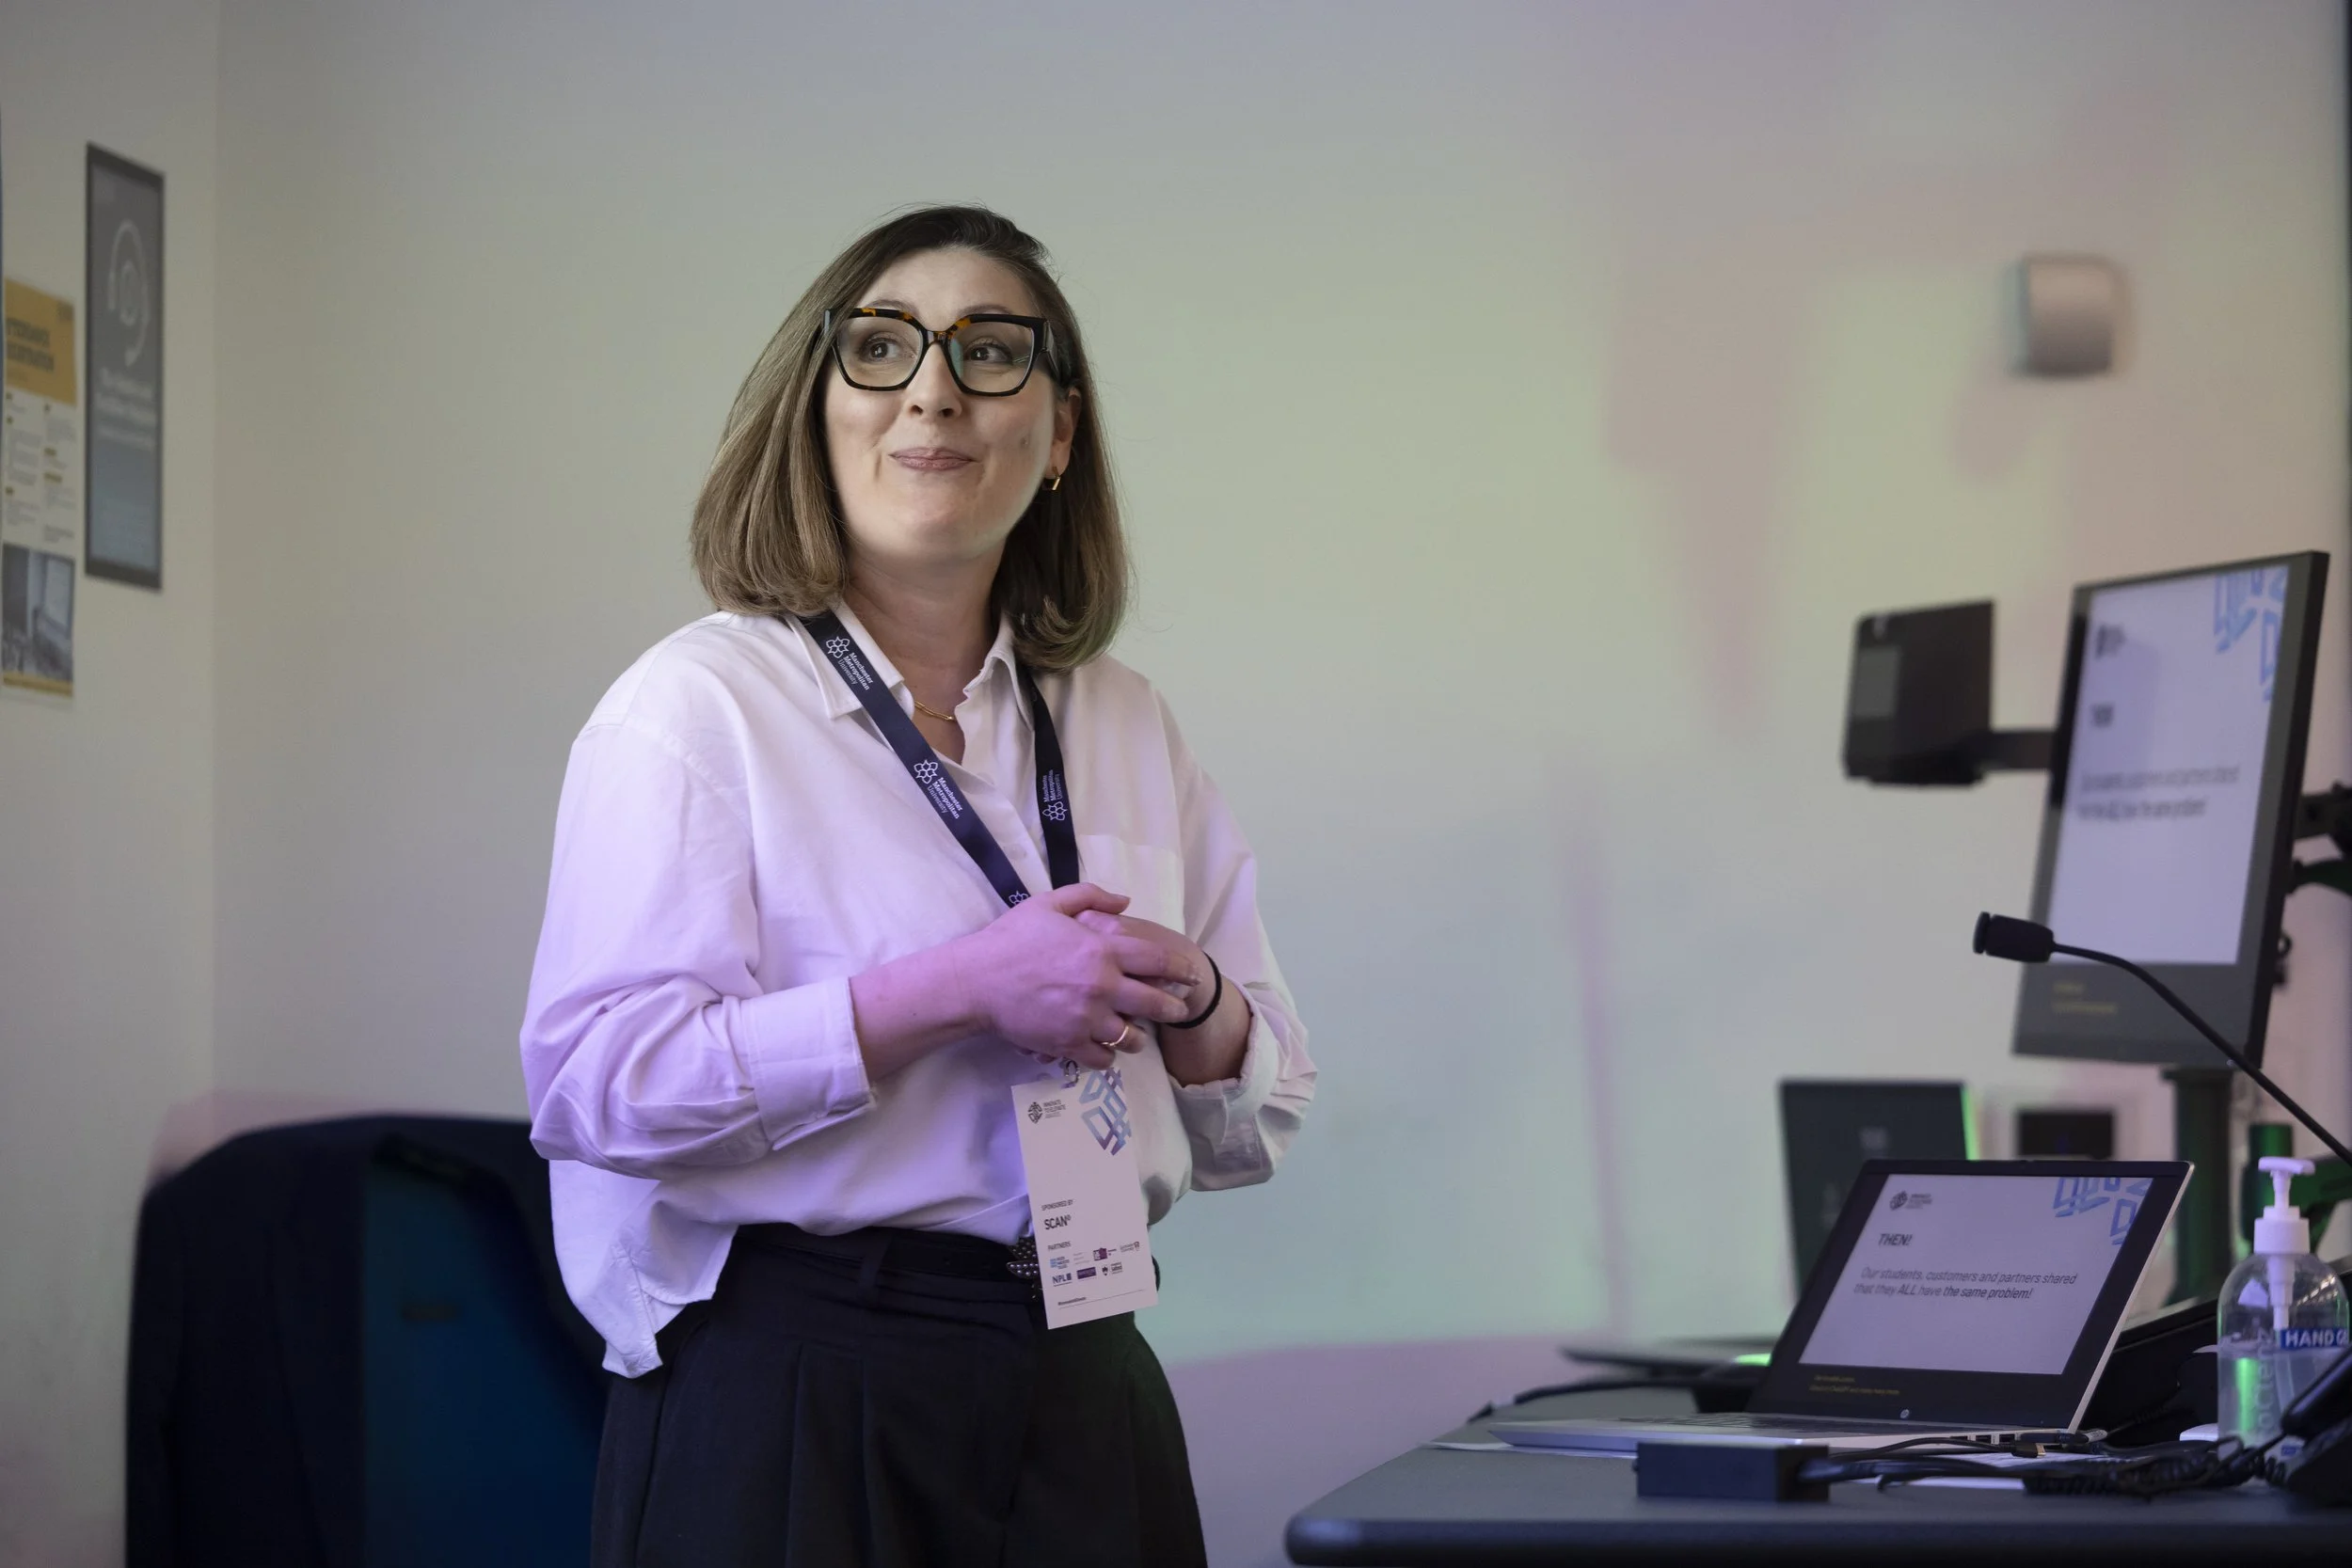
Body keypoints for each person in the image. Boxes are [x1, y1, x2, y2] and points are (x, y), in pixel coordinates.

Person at [519, 204, 1316, 1568]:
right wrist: (954, 991)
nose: (934, 389)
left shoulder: (1122, 719)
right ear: (813, 412)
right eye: (881, 349)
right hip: (800, 1387)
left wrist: (1193, 992)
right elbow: (594, 1086)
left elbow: (1259, 1122)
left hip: (1085, 1373)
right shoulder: (694, 707)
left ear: (1059, 436)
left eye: (992, 352)